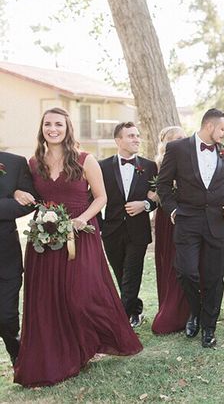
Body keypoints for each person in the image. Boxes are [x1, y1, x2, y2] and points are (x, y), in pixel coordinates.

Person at [13, 107, 141, 387]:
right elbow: (30, 196)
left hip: (82, 235)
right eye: (48, 124)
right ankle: (62, 352)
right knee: (50, 300)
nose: (53, 129)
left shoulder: (85, 159)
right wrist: (17, 192)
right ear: (42, 128)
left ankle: (91, 341)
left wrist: (80, 220)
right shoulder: (33, 163)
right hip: (44, 241)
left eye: (58, 124)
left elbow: (101, 197)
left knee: (81, 295)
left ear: (68, 128)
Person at [157, 108, 224, 348]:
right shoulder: (177, 149)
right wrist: (173, 210)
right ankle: (195, 310)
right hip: (187, 220)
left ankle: (209, 327)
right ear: (210, 126)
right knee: (186, 271)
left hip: (218, 222)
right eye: (223, 129)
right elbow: (163, 186)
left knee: (215, 277)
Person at [99, 122, 158, 328]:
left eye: (137, 135)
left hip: (138, 231)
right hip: (111, 231)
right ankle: (135, 310)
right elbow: (92, 198)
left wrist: (145, 204)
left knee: (132, 273)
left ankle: (120, 322)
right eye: (131, 136)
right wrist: (100, 227)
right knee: (121, 273)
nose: (136, 139)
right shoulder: (102, 166)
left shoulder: (150, 166)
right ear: (118, 140)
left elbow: (158, 196)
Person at [150, 126, 189, 335]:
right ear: (165, 143)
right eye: (174, 139)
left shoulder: (192, 162)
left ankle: (188, 309)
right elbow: (152, 194)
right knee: (168, 261)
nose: (180, 142)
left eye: (183, 138)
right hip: (167, 218)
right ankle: (169, 307)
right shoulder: (155, 166)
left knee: (187, 263)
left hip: (189, 217)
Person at [0, 151, 35, 365]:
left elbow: (30, 202)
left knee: (7, 315)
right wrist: (7, 199)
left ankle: (17, 353)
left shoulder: (14, 163)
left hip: (6, 258)